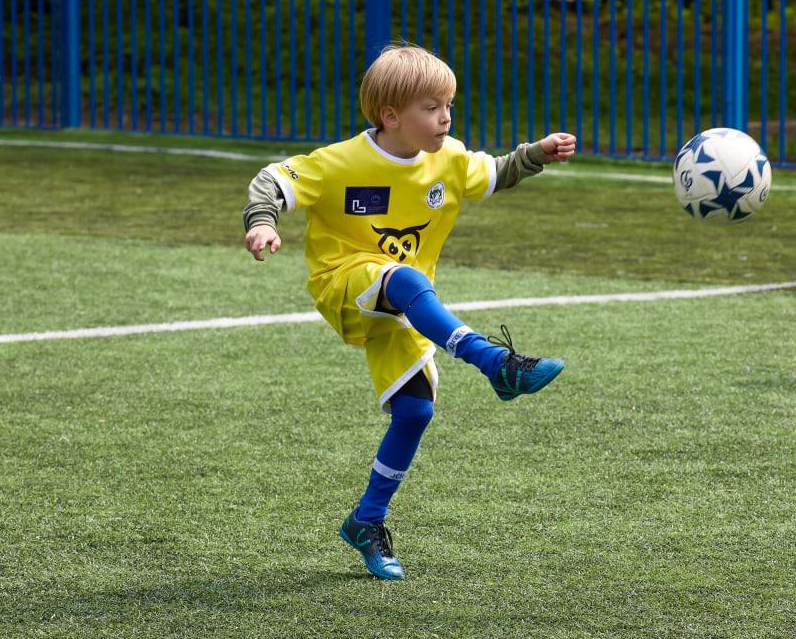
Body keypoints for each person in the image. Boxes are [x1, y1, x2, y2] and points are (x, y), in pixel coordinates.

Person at [243, 43, 575, 580]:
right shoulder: (340, 162)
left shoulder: (450, 159)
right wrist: (263, 222)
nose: (445, 117)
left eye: (449, 105)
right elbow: (272, 182)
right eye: (431, 107)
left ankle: (366, 520)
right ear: (391, 116)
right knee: (404, 278)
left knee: (415, 411)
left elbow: (495, 171)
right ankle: (496, 363)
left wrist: (536, 153)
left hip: (407, 310)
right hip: (345, 284)